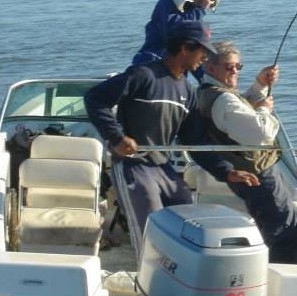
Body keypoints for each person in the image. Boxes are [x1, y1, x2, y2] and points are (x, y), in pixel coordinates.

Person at [85, 21, 258, 260]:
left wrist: (227, 172)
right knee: (151, 230)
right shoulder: (143, 75)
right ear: (184, 49)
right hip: (133, 166)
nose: (205, 57)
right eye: (202, 51)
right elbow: (95, 98)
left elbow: (195, 140)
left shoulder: (186, 91)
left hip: (162, 167)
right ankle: (149, 280)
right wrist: (117, 137)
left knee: (187, 220)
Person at [198, 41, 297, 264]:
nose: (235, 71)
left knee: (274, 224)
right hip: (258, 175)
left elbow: (240, 113)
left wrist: (259, 85)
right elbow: (260, 133)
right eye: (229, 66)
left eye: (238, 66)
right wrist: (265, 108)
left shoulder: (212, 93)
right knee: (283, 230)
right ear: (210, 67)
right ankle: (277, 274)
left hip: (247, 173)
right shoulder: (223, 99)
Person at [130, 0, 223, 68]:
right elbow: (176, 29)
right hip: (150, 61)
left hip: (175, 67)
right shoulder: (167, 2)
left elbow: (193, 51)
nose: (205, 0)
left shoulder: (195, 14)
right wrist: (201, 9)